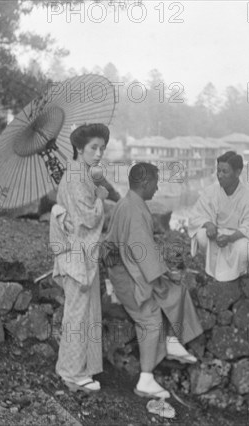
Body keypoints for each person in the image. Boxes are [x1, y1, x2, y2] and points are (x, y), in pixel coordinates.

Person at [103, 162, 203, 399]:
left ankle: (170, 341)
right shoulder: (133, 209)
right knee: (150, 315)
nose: (157, 188)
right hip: (126, 275)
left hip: (127, 269)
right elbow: (142, 251)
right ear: (145, 182)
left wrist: (162, 273)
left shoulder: (126, 203)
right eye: (156, 183)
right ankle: (146, 379)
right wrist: (164, 273)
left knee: (173, 291)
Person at [49, 123, 111, 393]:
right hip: (76, 252)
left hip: (81, 252)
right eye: (93, 148)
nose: (98, 153)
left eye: (102, 148)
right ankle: (71, 373)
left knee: (85, 312)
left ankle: (81, 369)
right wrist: (101, 199)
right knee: (76, 314)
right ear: (79, 148)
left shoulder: (81, 172)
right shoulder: (76, 175)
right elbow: (88, 217)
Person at [188, 151, 249, 282]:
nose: (220, 176)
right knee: (201, 235)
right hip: (217, 235)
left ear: (237, 173)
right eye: (218, 171)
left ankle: (240, 272)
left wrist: (231, 238)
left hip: (238, 238)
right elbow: (196, 216)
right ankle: (212, 269)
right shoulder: (211, 191)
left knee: (244, 248)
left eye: (224, 172)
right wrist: (209, 224)